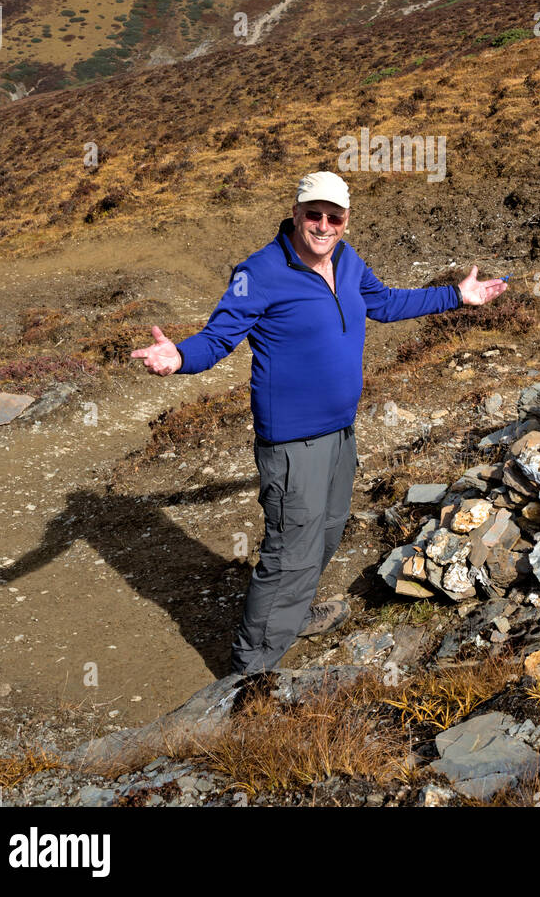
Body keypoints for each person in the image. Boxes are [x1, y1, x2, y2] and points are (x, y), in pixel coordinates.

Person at [130, 170, 508, 677]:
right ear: (296, 212)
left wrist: (454, 297)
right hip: (291, 442)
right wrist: (179, 356)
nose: (324, 225)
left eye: (334, 216)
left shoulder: (348, 262)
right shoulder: (259, 272)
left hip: (340, 432)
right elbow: (218, 337)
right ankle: (249, 674)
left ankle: (292, 615)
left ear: (346, 220)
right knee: (290, 552)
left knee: (326, 535)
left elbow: (386, 303)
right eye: (314, 214)